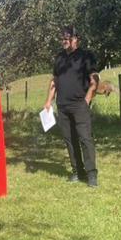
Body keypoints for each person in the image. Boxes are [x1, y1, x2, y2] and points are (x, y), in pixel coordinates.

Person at [43, 26, 100, 187]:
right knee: (69, 140)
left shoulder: (85, 56)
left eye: (67, 38)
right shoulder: (59, 57)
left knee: (85, 139)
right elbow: (54, 80)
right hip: (62, 106)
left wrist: (87, 100)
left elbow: (94, 79)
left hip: (79, 105)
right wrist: (49, 101)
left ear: (76, 39)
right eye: (62, 38)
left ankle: (91, 174)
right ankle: (77, 171)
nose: (64, 41)